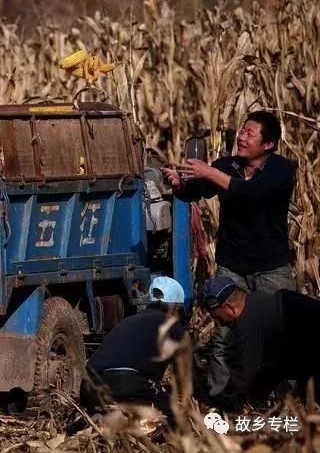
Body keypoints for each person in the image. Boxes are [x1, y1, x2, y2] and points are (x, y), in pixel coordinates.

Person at [161, 110, 296, 397]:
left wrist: (209, 171)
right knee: (224, 336)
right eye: (242, 131)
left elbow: (250, 194)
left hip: (271, 267)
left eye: (249, 133)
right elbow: (196, 192)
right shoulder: (228, 165)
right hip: (232, 266)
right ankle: (220, 398)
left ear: (269, 144)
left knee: (282, 332)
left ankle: (287, 399)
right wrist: (180, 185)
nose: (242, 137)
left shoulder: (281, 170)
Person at [203, 276, 320, 409]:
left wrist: (224, 399)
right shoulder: (260, 302)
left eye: (218, 317)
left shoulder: (248, 324)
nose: (220, 323)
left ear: (229, 307)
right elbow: (273, 366)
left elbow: (245, 374)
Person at [81, 276, 187, 421]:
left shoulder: (128, 321)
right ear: (175, 307)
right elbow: (187, 370)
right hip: (124, 384)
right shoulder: (170, 323)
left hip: (89, 388)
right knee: (173, 415)